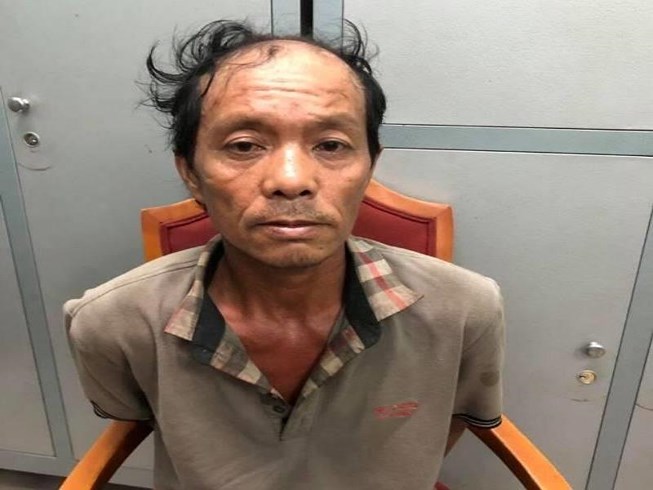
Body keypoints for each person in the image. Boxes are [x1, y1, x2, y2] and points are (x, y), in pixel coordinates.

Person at [65, 20, 504, 490]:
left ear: (369, 166)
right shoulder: (112, 323)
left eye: (331, 145)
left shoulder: (463, 311)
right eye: (244, 146)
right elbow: (136, 417)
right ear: (191, 173)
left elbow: (452, 421)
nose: (291, 180)